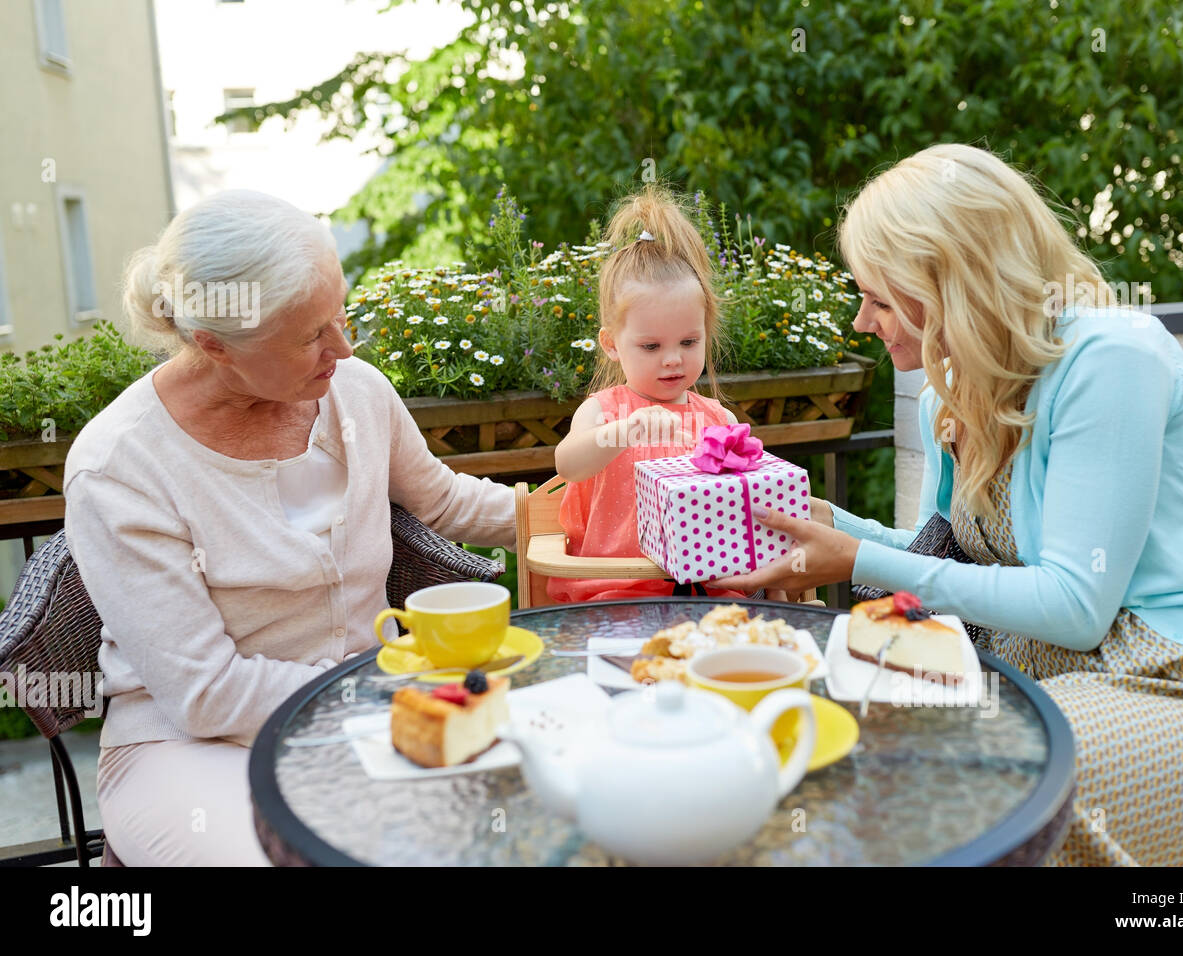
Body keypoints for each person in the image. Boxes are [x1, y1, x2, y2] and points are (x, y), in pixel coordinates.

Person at [714, 143, 1183, 866]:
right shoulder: (953, 397)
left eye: (880, 295)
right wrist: (827, 525)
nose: (863, 319)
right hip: (1056, 684)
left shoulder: (1110, 360)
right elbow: (944, 554)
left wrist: (857, 558)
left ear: (952, 280)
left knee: (987, 791)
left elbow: (1076, 605)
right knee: (836, 746)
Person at [62, 190, 517, 866]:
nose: (345, 346)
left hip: (369, 710)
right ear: (215, 344)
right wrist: (379, 689)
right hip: (193, 750)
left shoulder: (356, 391)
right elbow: (206, 694)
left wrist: (600, 509)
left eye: (341, 315)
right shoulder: (119, 467)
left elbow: (447, 502)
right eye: (312, 336)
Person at [547, 186, 756, 603]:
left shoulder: (719, 420)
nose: (673, 360)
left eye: (689, 342)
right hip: (614, 591)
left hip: (708, 589)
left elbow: (746, 508)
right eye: (651, 347)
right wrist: (623, 433)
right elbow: (567, 465)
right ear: (611, 344)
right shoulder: (604, 412)